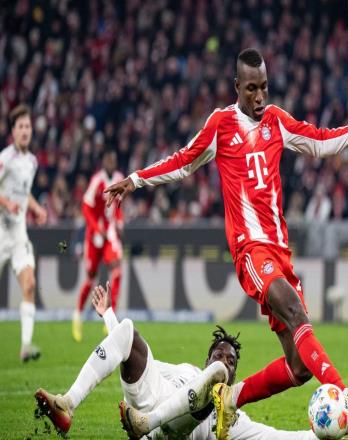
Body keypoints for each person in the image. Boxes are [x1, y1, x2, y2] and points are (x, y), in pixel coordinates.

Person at [105, 48, 348, 439]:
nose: (260, 97)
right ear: (237, 86)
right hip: (251, 250)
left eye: (264, 88)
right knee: (295, 312)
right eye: (252, 89)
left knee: (298, 367)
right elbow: (183, 161)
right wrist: (136, 179)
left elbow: (319, 141)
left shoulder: (277, 120)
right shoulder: (221, 124)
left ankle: (231, 399)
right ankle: (345, 395)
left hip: (279, 251)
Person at [35, 283, 322, 439]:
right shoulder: (185, 371)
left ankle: (147, 423)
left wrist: (321, 435)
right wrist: (109, 315)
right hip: (145, 405)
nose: (224, 362)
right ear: (205, 360)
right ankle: (67, 403)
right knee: (127, 329)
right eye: (218, 356)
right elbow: (123, 350)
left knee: (217, 380)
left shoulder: (231, 419)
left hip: (168, 433)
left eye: (231, 362)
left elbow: (276, 436)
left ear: (235, 375)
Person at [0, 104, 47, 362]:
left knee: (29, 284)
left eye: (28, 126)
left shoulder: (32, 162)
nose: (25, 130)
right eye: (21, 126)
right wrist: (6, 203)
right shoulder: (5, 159)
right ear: (13, 131)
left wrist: (37, 208)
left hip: (18, 233)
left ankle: (26, 346)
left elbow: (24, 192)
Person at [72, 148, 124, 342]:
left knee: (117, 269)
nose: (111, 163)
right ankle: (78, 314)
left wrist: (120, 221)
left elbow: (118, 205)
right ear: (103, 162)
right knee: (91, 277)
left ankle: (111, 315)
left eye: (113, 160)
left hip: (109, 233)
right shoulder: (97, 181)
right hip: (94, 236)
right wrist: (95, 227)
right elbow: (86, 207)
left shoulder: (119, 178)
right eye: (108, 159)